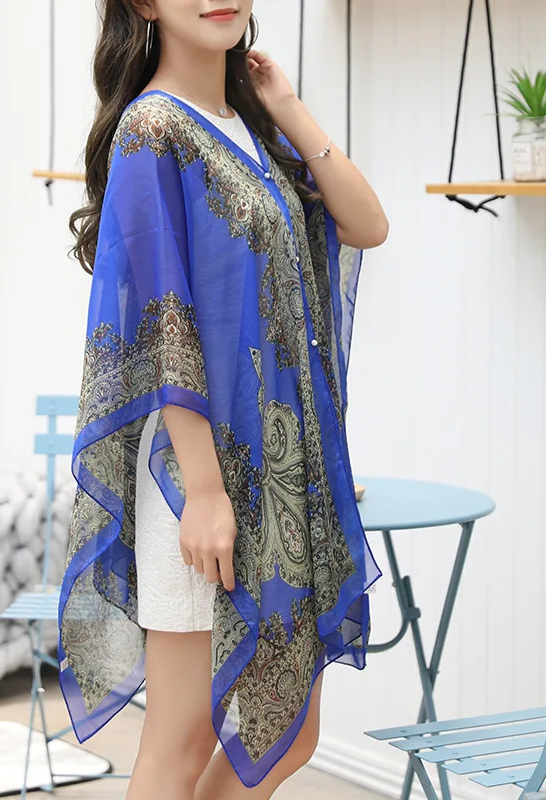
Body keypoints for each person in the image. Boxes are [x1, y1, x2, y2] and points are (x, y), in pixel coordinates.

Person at [60, 2, 389, 798]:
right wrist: (206, 493)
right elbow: (164, 321)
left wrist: (287, 107)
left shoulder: (252, 129)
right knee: (180, 740)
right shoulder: (151, 131)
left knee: (289, 731)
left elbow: (367, 224)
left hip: (274, 476)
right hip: (195, 477)